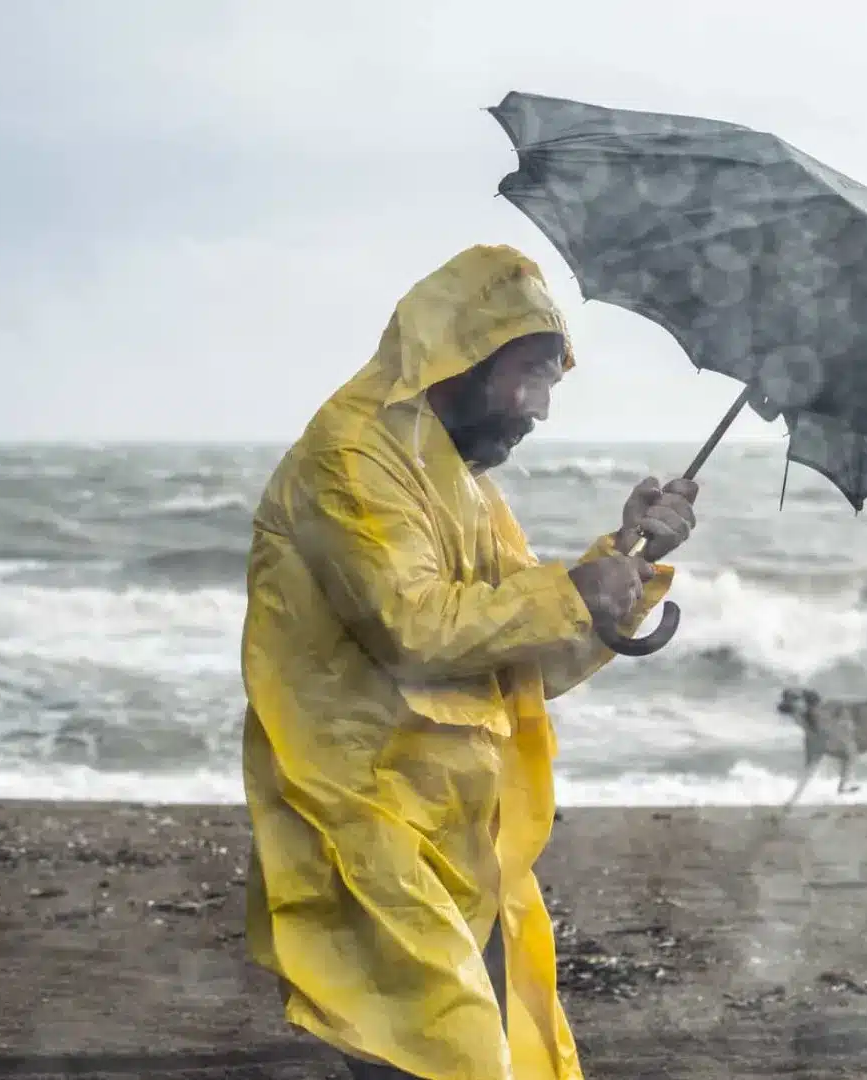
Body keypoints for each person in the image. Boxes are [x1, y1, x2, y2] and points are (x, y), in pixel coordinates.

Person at [239, 243, 698, 1080]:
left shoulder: (459, 480)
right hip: (364, 820)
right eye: (531, 377)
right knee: (448, 1059)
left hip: (458, 830)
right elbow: (414, 629)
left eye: (552, 383)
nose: (542, 409)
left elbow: (521, 658)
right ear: (461, 355)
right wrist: (575, 591)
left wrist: (624, 561)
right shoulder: (351, 462)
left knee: (504, 1053)